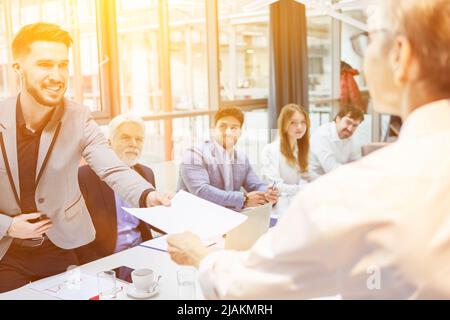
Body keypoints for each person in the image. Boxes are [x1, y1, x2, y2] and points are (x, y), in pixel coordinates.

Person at [167, 0, 450, 299]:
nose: (364, 59)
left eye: (368, 39)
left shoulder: (363, 190)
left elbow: (249, 288)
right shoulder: (199, 155)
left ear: (400, 55)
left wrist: (200, 256)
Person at [0, 23, 171, 293]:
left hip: (59, 245)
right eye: (45, 64)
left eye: (63, 65)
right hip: (5, 252)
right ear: (18, 69)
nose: (57, 75)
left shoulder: (78, 117)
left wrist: (148, 195)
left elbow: (112, 167)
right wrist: (8, 226)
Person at [77, 114, 159, 264]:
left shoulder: (146, 173)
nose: (134, 144)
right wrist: (99, 268)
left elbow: (153, 221)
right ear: (108, 143)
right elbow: (78, 236)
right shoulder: (84, 176)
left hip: (144, 254)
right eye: (126, 137)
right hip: (106, 262)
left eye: (139, 139)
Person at [178, 106, 278, 211]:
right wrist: (244, 199)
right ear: (213, 129)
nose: (228, 132)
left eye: (234, 127)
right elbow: (202, 192)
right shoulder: (193, 155)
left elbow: (256, 185)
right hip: (193, 218)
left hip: (229, 218)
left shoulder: (241, 158)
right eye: (222, 126)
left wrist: (268, 194)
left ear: (240, 132)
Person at [261, 104, 315, 216]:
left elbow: (306, 174)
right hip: (278, 206)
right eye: (293, 123)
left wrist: (326, 181)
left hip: (296, 201)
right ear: (284, 125)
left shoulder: (301, 148)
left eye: (303, 122)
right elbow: (277, 186)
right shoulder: (270, 150)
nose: (300, 127)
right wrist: (302, 189)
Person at [309, 104, 364, 176]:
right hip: (314, 182)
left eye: (355, 125)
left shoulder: (348, 135)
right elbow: (331, 169)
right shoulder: (322, 135)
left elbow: (356, 162)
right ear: (338, 119)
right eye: (348, 122)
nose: (350, 128)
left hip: (335, 180)